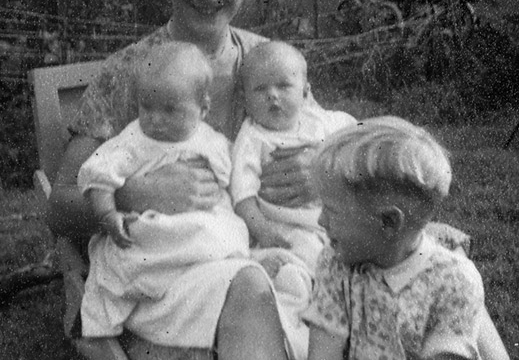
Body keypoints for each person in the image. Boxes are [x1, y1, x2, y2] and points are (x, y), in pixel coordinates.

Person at [46, 0, 315, 360]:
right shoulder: (130, 71)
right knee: (253, 289)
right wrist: (132, 195)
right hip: (164, 278)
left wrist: (319, 169)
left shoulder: (271, 66)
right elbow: (59, 206)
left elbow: (331, 147)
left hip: (268, 255)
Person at [78, 41, 251, 346]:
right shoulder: (134, 140)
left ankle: (210, 275)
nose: (155, 119)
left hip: (201, 233)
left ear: (203, 109)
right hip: (154, 234)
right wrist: (108, 213)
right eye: (147, 107)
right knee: (139, 252)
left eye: (170, 110)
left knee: (221, 230)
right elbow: (98, 176)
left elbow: (234, 180)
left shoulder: (212, 140)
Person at [304, 116, 510, 360]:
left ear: (389, 222)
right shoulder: (336, 262)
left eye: (332, 211)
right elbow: (323, 352)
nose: (320, 221)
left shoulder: (454, 282)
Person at [230, 41, 357, 360]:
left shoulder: (321, 123)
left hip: (333, 222)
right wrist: (265, 233)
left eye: (284, 86)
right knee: (302, 275)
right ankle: (305, 337)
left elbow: (357, 139)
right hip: (287, 231)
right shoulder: (252, 138)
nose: (273, 95)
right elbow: (243, 198)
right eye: (260, 90)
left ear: (305, 92)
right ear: (245, 101)